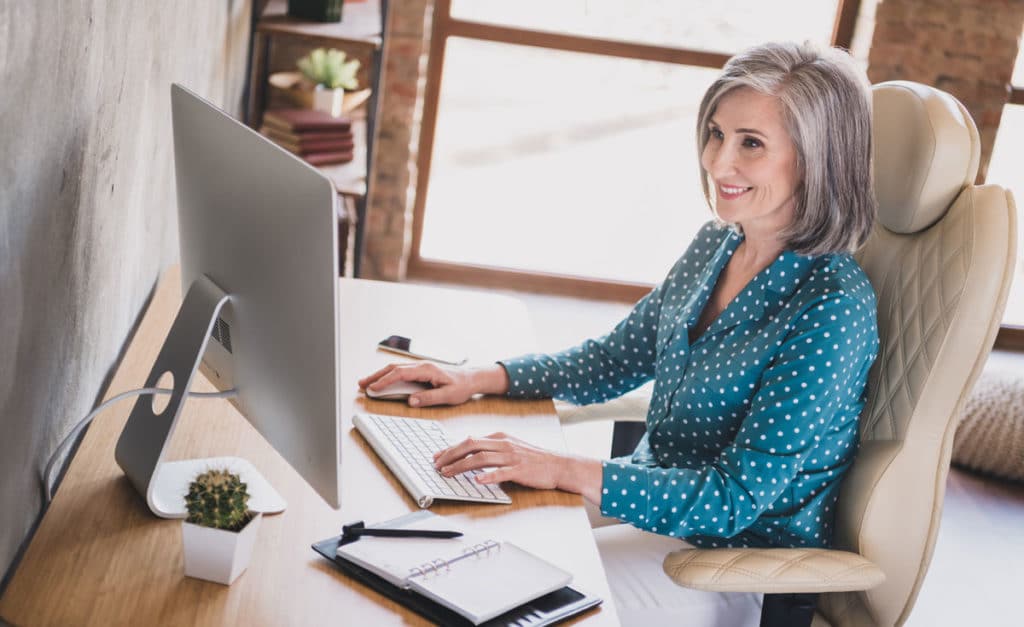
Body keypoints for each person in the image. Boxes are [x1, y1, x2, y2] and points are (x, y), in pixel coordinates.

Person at [360, 40, 880, 623]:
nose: (717, 162)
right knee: (446, 538)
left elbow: (732, 499)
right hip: (650, 499)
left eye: (751, 144)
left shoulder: (832, 309)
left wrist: (559, 467)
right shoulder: (718, 243)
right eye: (716, 133)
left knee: (495, 598)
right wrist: (480, 377)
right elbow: (613, 359)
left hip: (730, 560)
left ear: (817, 159)